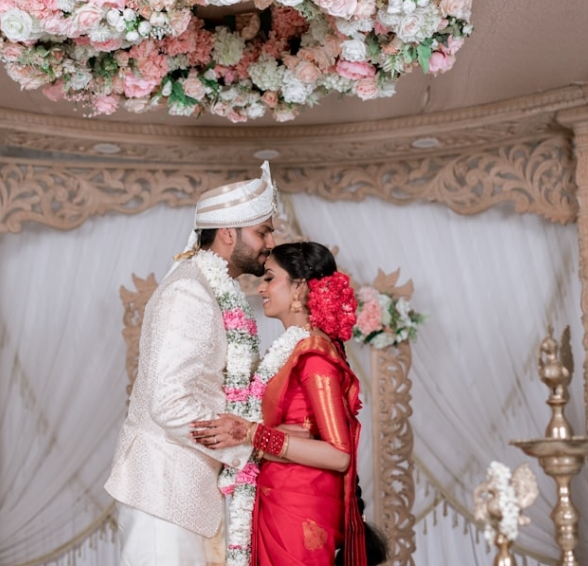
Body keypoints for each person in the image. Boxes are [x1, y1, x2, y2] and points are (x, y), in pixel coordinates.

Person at [104, 161, 278, 566]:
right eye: (263, 231)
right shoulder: (190, 292)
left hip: (185, 487)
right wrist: (245, 445)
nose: (271, 241)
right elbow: (170, 403)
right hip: (162, 490)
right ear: (228, 233)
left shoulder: (214, 289)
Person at [191, 242, 386, 566]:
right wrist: (266, 438)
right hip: (280, 496)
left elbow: (338, 454)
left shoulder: (314, 356)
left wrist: (253, 433)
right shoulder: (293, 352)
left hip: (299, 509)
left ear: (299, 287)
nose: (262, 287)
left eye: (270, 278)